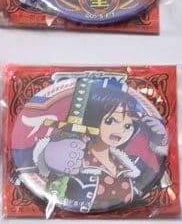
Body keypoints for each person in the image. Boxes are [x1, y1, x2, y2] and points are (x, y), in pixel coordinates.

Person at [26, 79, 167, 212]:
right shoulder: (73, 157)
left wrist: (160, 145)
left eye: (128, 126)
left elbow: (161, 181)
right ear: (93, 119)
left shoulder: (134, 164)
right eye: (110, 121)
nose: (120, 130)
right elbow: (24, 164)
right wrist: (45, 155)